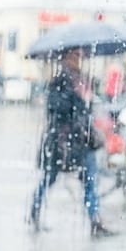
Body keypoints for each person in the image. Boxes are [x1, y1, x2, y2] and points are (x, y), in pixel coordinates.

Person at [29, 47, 113, 238]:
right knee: (49, 178)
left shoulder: (83, 80)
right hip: (63, 141)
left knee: (90, 180)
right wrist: (77, 103)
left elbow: (85, 110)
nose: (79, 59)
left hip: (82, 140)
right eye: (75, 56)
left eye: (80, 56)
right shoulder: (59, 81)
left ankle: (95, 220)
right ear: (66, 58)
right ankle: (34, 209)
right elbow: (56, 110)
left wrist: (86, 100)